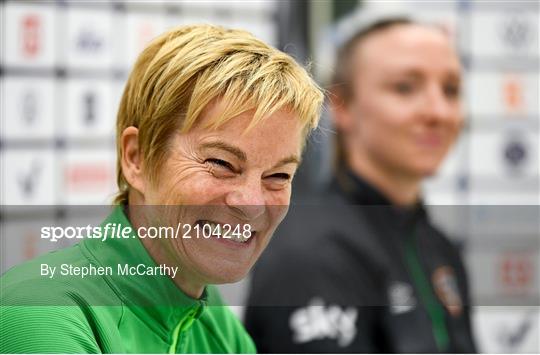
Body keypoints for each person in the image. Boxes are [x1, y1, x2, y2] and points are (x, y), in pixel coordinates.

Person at [0, 25, 324, 353]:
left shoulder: (215, 324)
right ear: (136, 157)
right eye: (221, 164)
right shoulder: (39, 312)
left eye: (279, 176)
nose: (253, 204)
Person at [245, 17, 477, 353]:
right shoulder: (313, 251)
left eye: (451, 90)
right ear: (341, 105)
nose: (438, 111)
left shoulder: (437, 246)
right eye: (405, 87)